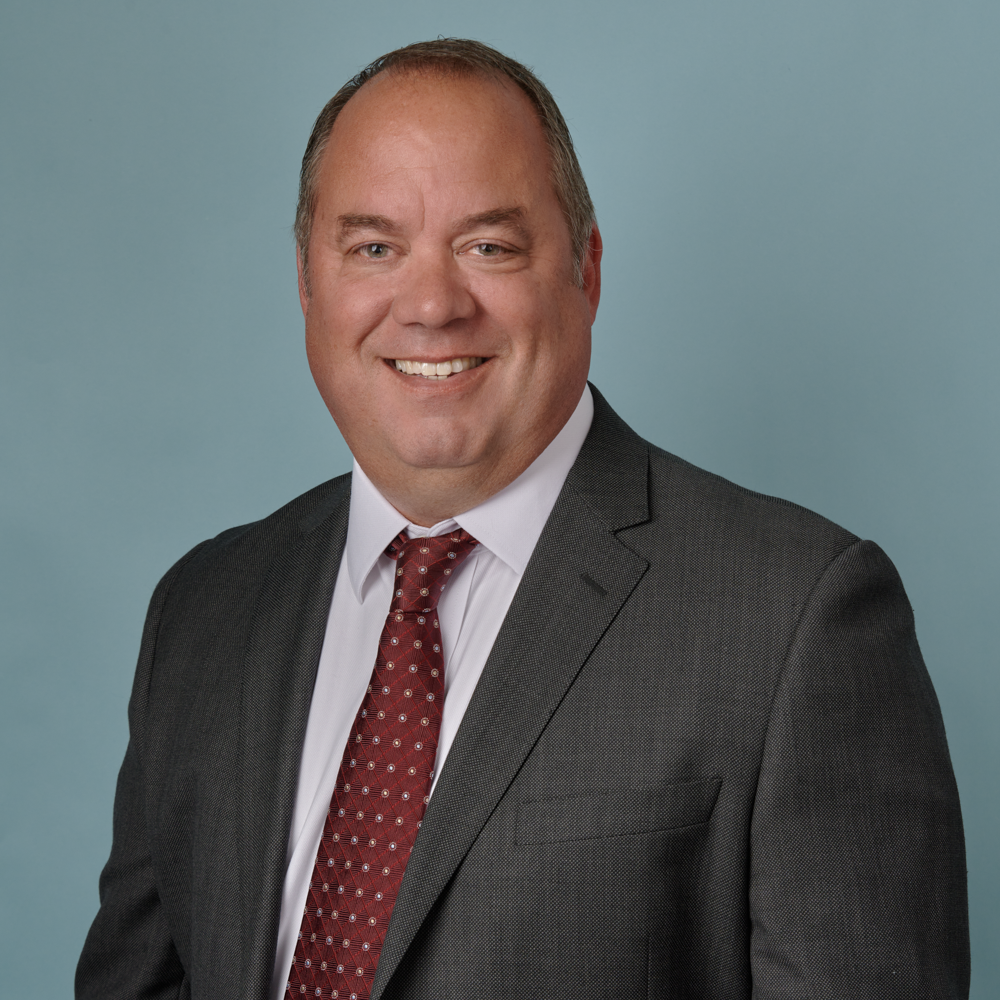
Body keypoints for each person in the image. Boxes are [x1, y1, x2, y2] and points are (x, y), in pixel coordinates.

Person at [76, 38, 969, 1000]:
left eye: (489, 247)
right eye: (374, 248)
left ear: (586, 269)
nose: (431, 305)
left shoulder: (795, 617)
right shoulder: (203, 613)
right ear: (306, 281)